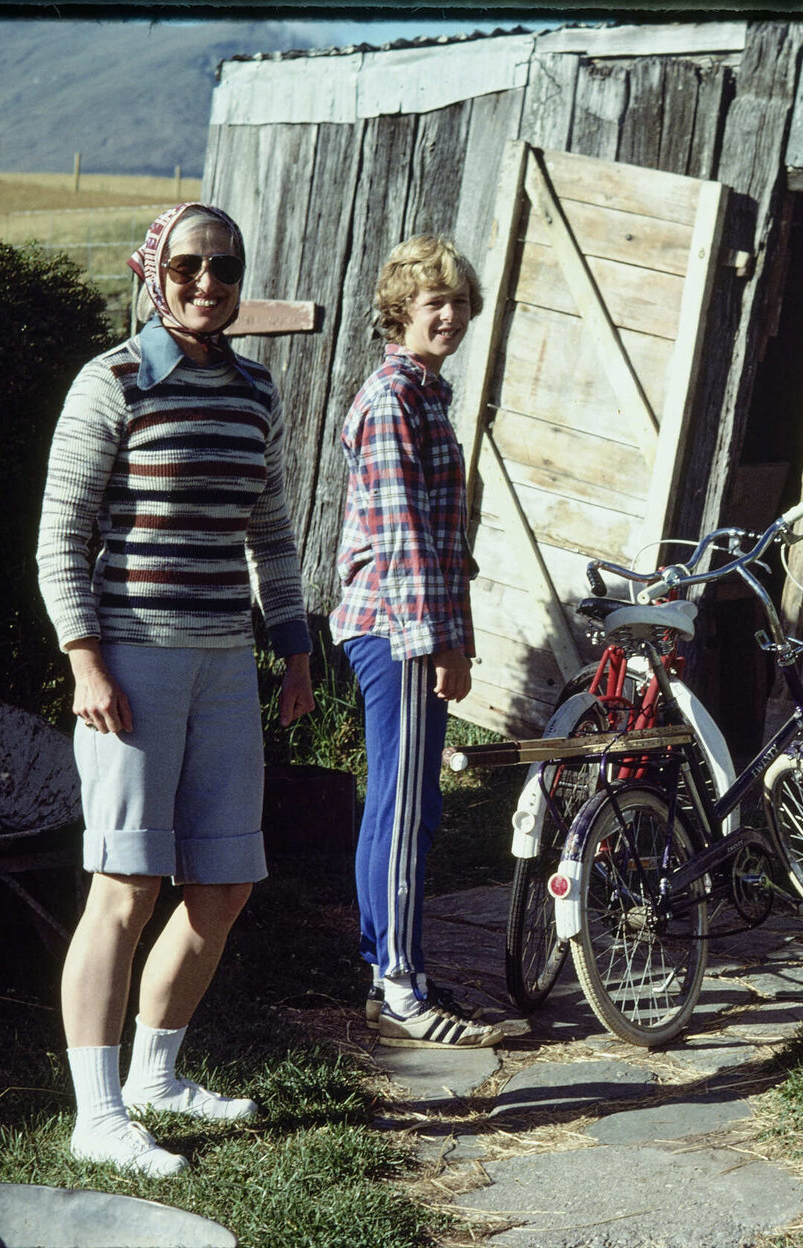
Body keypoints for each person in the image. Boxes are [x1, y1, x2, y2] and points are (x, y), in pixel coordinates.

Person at [37, 202, 315, 1176]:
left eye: (226, 268)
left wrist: (294, 650)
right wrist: (83, 660)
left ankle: (157, 1075)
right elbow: (61, 539)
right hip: (130, 662)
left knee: (224, 883)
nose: (208, 284)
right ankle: (96, 1112)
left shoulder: (253, 392)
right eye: (191, 265)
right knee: (126, 883)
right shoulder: (108, 383)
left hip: (224, 664)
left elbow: (270, 536)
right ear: (153, 270)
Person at [325, 234, 501, 1050]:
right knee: (402, 813)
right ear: (399, 312)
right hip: (394, 630)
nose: (451, 316)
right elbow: (402, 545)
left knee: (408, 806)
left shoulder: (427, 394)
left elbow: (441, 537)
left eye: (460, 303)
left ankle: (390, 973)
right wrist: (441, 646)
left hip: (408, 627)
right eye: (435, 302)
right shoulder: (392, 399)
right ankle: (399, 987)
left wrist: (451, 635)